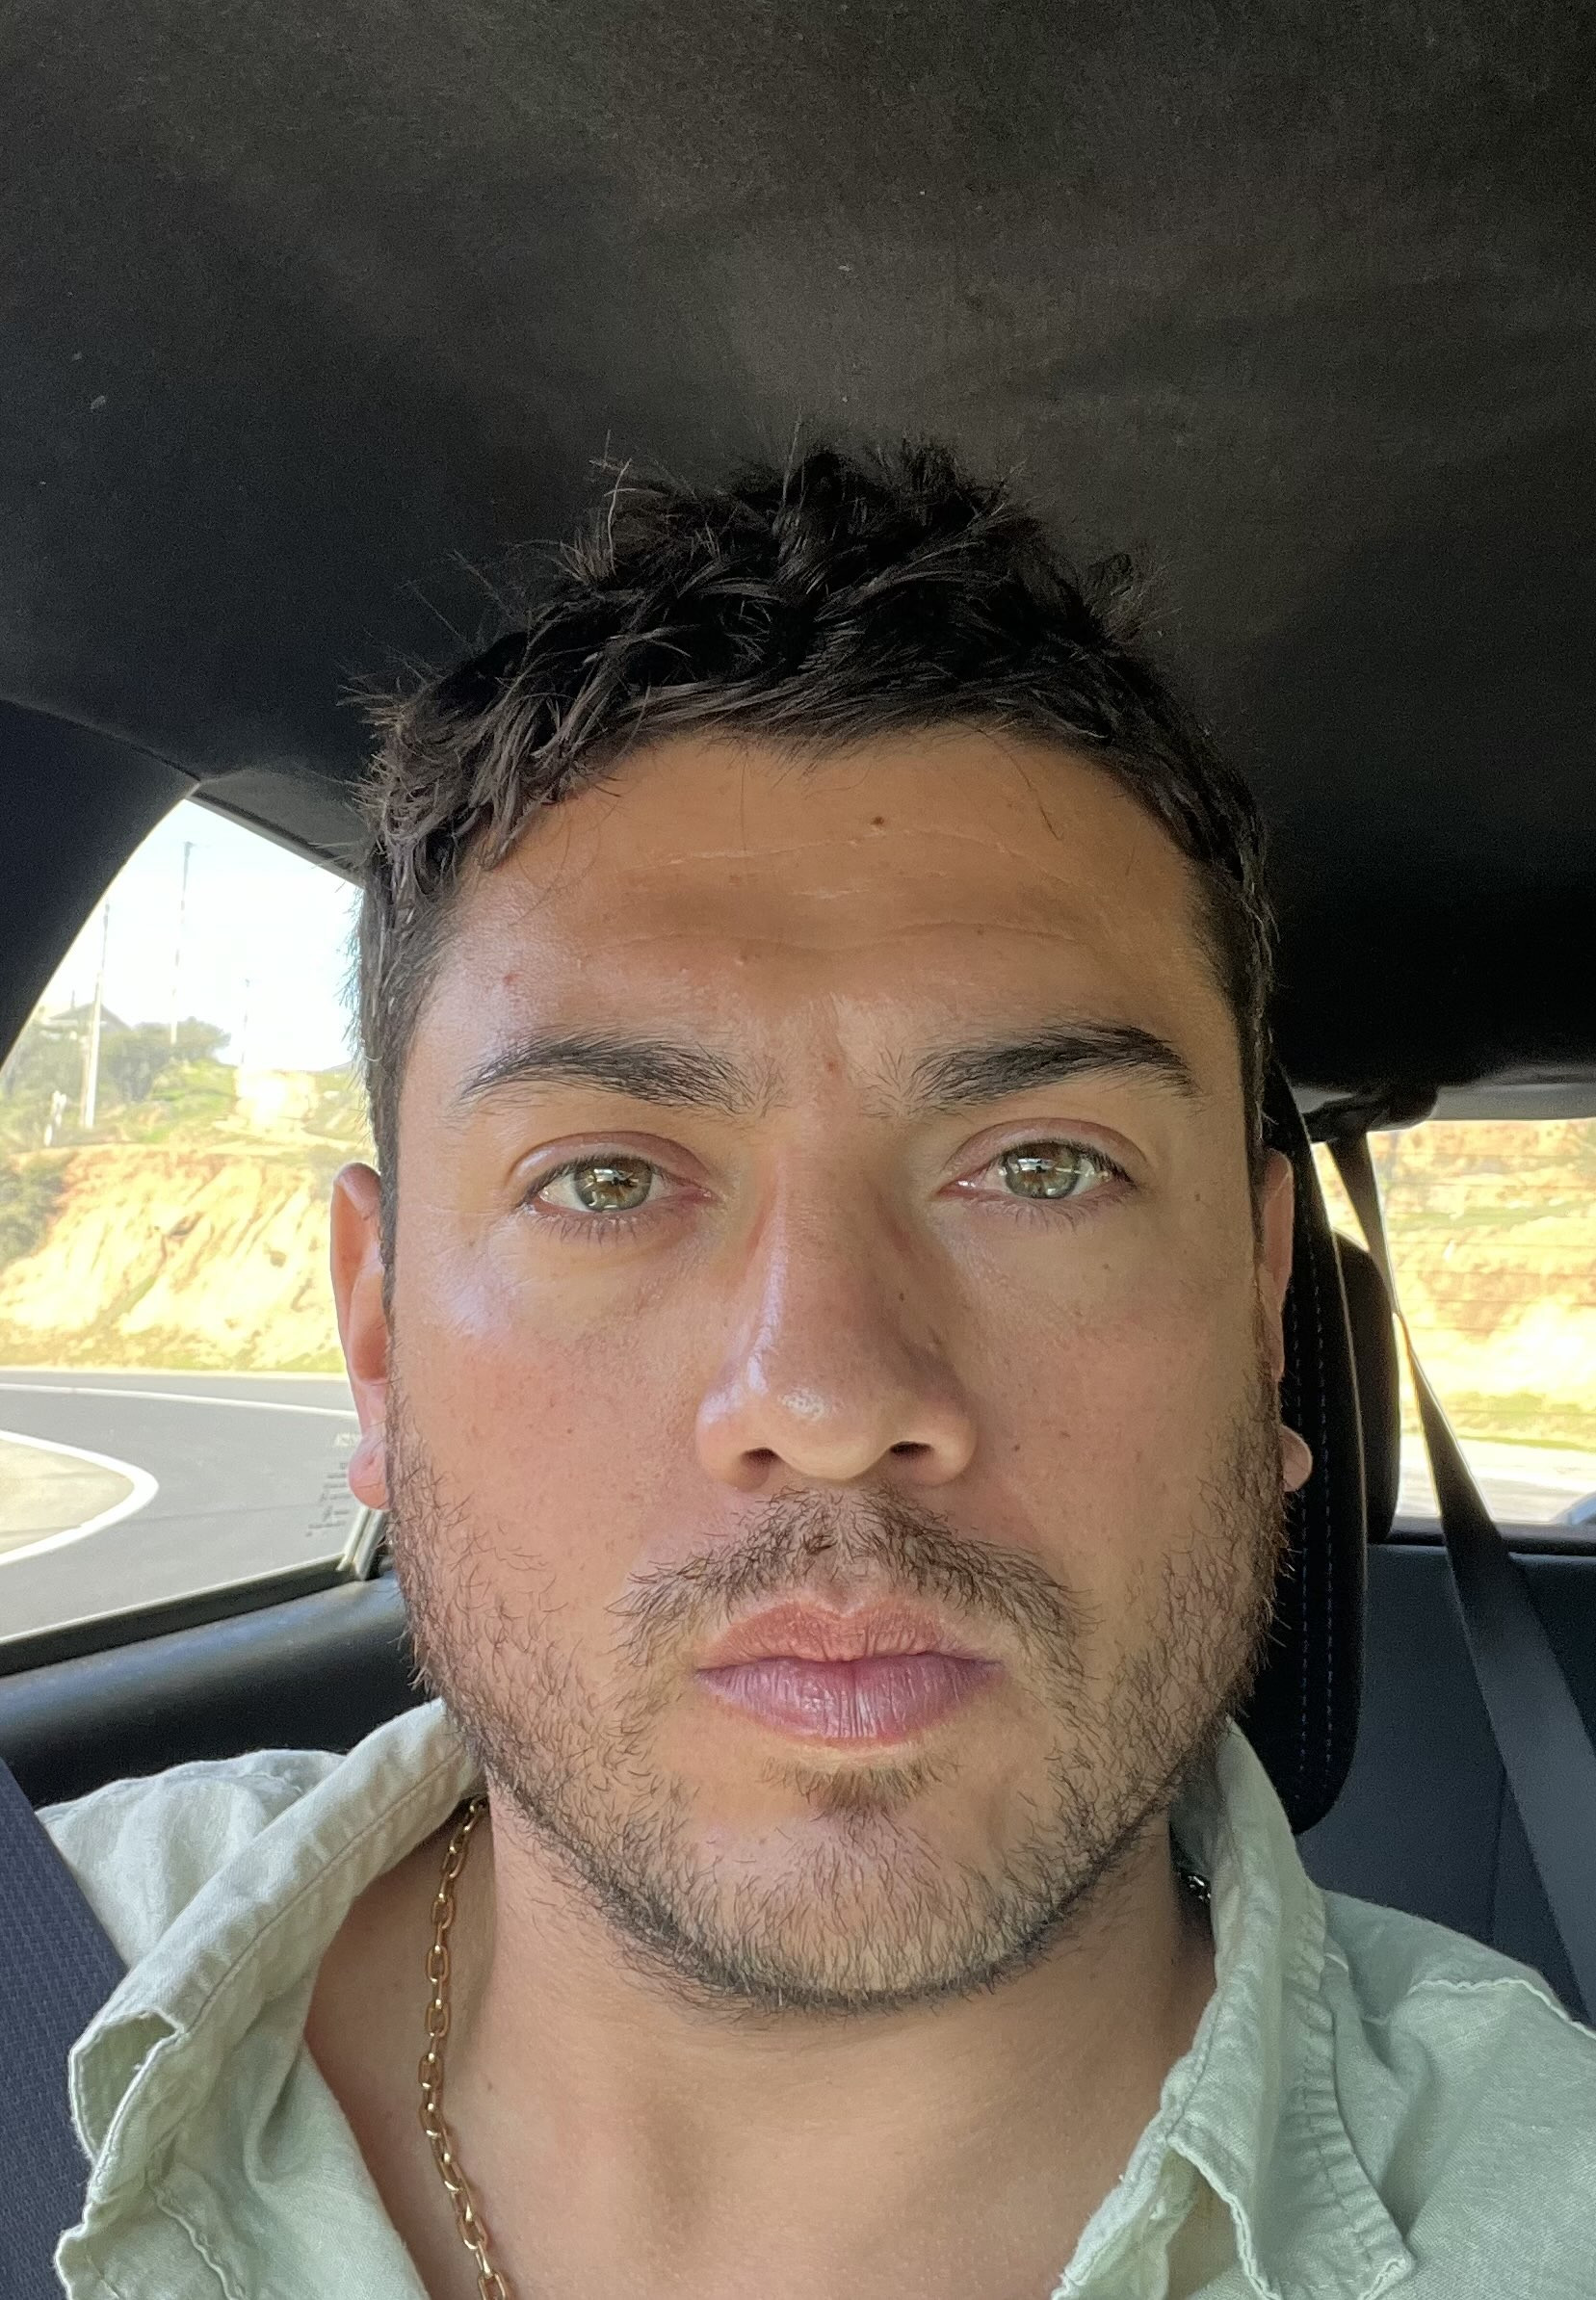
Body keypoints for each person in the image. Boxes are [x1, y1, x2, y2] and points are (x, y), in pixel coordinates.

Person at [44, 445, 1595, 2298]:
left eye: (1045, 1167)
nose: (831, 1398)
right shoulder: (38, 1962)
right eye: (605, 1180)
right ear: (378, 1346)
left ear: (1261, 1314)